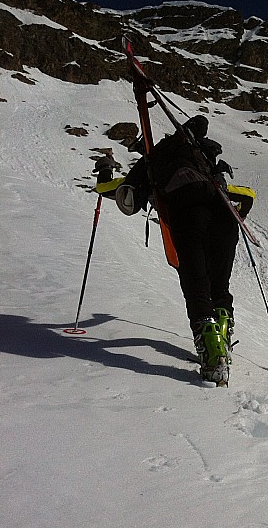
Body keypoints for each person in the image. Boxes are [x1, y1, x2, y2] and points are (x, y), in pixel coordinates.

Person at [102, 115, 255, 385]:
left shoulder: (155, 159)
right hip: (224, 212)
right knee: (219, 286)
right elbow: (247, 196)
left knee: (196, 283)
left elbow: (125, 196)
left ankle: (212, 356)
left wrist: (104, 172)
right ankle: (222, 341)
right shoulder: (205, 161)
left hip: (188, 213)